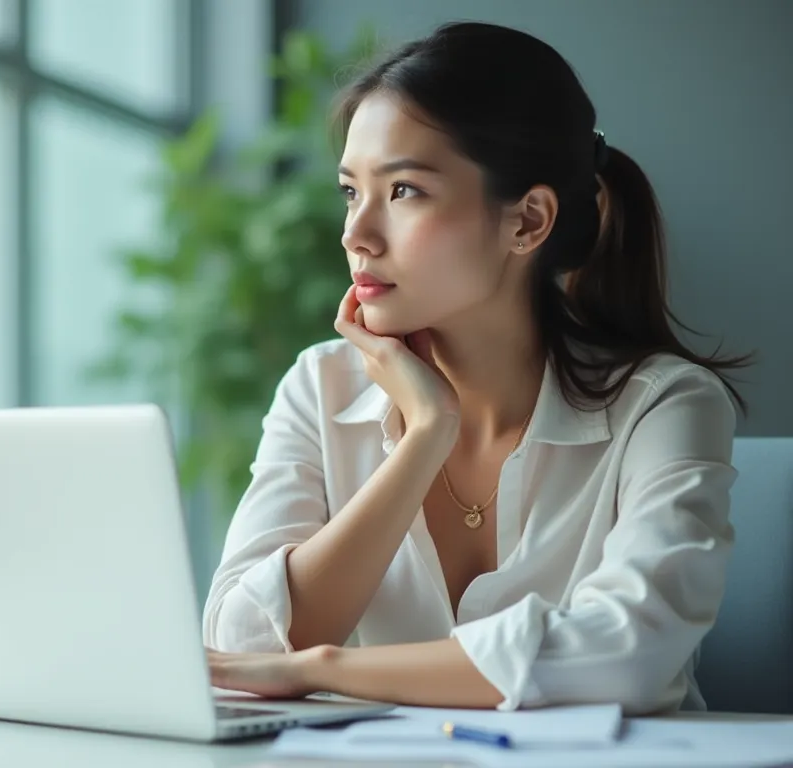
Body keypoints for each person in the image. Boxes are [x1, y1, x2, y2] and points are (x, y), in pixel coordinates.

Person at [201, 20, 752, 715]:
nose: (355, 234)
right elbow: (240, 643)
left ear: (527, 221)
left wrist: (329, 669)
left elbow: (628, 653)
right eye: (351, 191)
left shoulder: (665, 405)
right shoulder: (321, 387)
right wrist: (426, 435)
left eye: (404, 191)